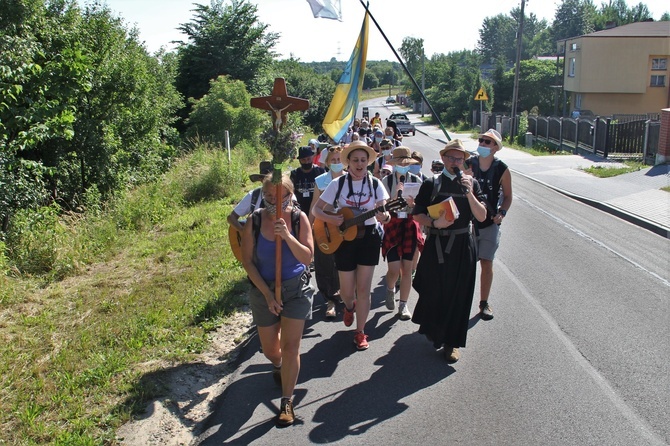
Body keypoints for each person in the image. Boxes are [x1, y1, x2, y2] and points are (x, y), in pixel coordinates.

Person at [240, 173, 314, 426]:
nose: (274, 201)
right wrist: (268, 294)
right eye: (269, 196)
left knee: (292, 346)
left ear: (290, 195)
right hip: (263, 289)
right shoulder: (255, 221)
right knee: (272, 350)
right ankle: (278, 363)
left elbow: (307, 258)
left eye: (280, 196)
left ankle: (286, 401)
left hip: (295, 290)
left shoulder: (298, 218)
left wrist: (288, 237)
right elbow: (247, 261)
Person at [410, 139, 487, 364]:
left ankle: (451, 343)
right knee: (435, 291)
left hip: (464, 245)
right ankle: (435, 330)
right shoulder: (431, 184)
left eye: (460, 159)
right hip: (437, 245)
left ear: (464, 161)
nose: (455, 162)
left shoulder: (472, 183)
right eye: (452, 158)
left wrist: (470, 193)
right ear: (443, 158)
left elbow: (482, 216)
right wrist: (435, 224)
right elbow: (417, 215)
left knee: (460, 295)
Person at [311, 140, 390, 351]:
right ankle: (348, 306)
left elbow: (384, 210)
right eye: (355, 160)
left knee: (363, 289)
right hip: (345, 241)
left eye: (363, 160)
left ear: (368, 162)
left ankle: (361, 331)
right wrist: (332, 219)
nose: (359, 164)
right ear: (348, 162)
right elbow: (317, 211)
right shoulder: (337, 184)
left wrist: (385, 216)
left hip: (369, 238)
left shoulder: (375, 184)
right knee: (347, 291)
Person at [464, 129, 513, 321]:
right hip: (468, 222)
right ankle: (462, 301)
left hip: (490, 223)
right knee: (466, 265)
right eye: (481, 140)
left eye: (487, 142)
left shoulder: (502, 169)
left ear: (495, 148)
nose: (482, 144)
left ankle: (483, 303)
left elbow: (508, 196)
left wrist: (502, 213)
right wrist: (465, 176)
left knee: (486, 262)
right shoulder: (469, 164)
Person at [381, 147, 424, 321]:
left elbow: (422, 207)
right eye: (399, 163)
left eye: (406, 163)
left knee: (407, 268)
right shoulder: (386, 180)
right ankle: (390, 289)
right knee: (393, 269)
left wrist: (414, 204)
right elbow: (381, 206)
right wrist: (393, 199)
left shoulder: (416, 180)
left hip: (409, 224)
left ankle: (403, 304)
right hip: (392, 224)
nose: (403, 166)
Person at [310, 146, 344, 319]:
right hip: (324, 228)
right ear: (328, 162)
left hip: (345, 227)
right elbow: (314, 207)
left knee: (343, 262)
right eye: (334, 160)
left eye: (339, 160)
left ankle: (344, 296)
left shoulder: (350, 179)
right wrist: (309, 229)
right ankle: (330, 300)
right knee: (325, 263)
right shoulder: (321, 180)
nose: (337, 163)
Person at [226, 161, 272, 232]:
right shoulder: (254, 195)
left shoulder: (286, 196)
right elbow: (231, 217)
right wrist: (243, 232)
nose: (268, 182)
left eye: (271, 179)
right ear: (260, 179)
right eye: (265, 179)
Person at [290, 146, 326, 214]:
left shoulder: (320, 172)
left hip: (317, 209)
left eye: (308, 159)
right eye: (303, 160)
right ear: (300, 160)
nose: (306, 162)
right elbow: (291, 192)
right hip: (299, 210)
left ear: (312, 157)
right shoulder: (295, 174)